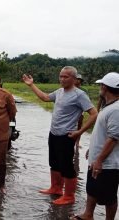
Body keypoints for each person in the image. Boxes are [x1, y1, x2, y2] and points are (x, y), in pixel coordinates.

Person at [22, 66, 98, 205]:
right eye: (61, 76)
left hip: (66, 136)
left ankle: (69, 196)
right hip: (54, 133)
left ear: (74, 79)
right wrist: (31, 85)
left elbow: (94, 113)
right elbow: (45, 98)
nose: (62, 79)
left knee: (67, 166)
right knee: (54, 162)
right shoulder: (60, 92)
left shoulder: (79, 94)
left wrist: (80, 132)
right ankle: (56, 188)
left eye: (66, 77)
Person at [69, 72, 119, 220]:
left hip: (108, 164)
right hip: (99, 159)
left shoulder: (116, 109)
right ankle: (88, 215)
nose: (100, 87)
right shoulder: (109, 106)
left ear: (105, 87)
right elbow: (103, 134)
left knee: (109, 196)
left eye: (101, 85)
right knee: (92, 189)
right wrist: (93, 151)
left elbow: (113, 138)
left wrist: (99, 160)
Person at [75, 73, 85, 148]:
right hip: (72, 112)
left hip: (81, 112)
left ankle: (77, 142)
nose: (78, 81)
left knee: (79, 127)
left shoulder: (84, 90)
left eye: (79, 80)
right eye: (76, 79)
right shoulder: (70, 89)